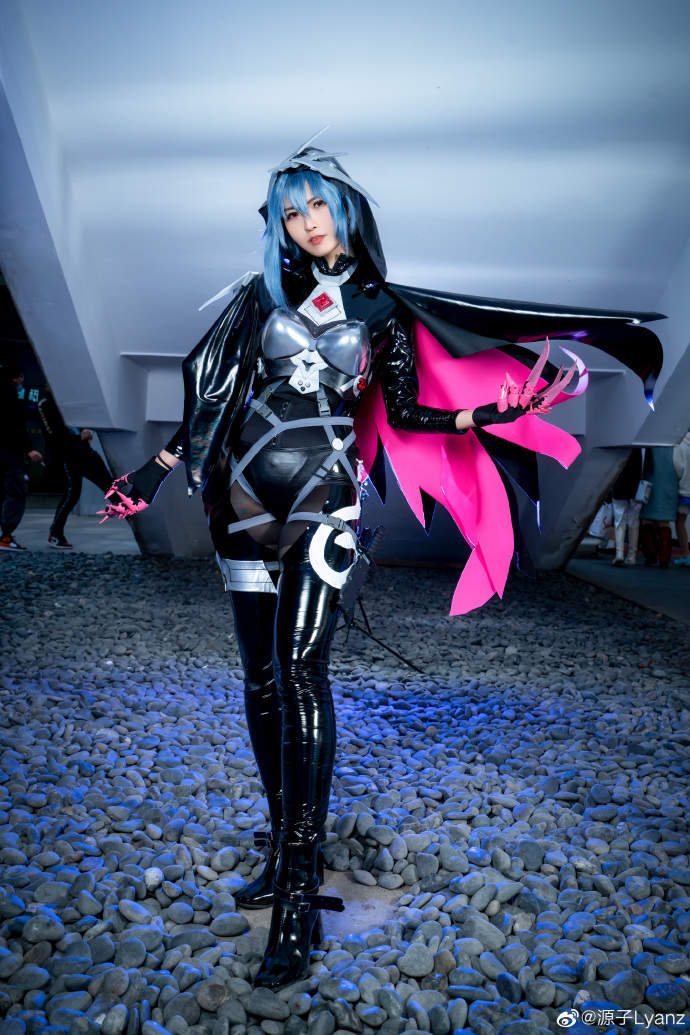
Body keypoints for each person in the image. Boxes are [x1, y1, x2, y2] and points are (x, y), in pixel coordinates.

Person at [99, 140, 663, 987]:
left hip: (324, 498)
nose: (306, 222)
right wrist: (151, 472)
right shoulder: (262, 295)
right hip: (241, 501)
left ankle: (298, 894)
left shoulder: (383, 308)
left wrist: (488, 411)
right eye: (290, 212)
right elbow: (215, 394)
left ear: (346, 208)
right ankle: (278, 847)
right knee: (259, 678)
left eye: (316, 204)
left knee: (301, 670)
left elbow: (407, 411)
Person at [37, 390, 113, 548]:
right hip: (68, 457)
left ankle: (141, 522)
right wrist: (78, 437)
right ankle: (55, 534)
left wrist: (86, 429)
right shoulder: (45, 405)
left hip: (85, 453)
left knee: (111, 488)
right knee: (72, 495)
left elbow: (84, 419)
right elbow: (53, 436)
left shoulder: (71, 401)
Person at [0, 364, 43, 551]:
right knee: (17, 492)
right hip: (10, 453)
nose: (22, 381)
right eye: (21, 377)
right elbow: (18, 427)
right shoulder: (10, 397)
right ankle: (6, 537)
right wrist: (29, 449)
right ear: (14, 378)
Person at [640, 447, 677, 568]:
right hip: (670, 483)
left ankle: (650, 555)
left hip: (650, 482)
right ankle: (664, 558)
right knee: (664, 522)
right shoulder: (675, 443)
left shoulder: (650, 442)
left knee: (647, 519)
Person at [611, 448, 643, 566]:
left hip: (619, 486)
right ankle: (631, 556)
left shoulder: (619, 446)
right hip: (636, 489)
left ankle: (619, 553)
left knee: (619, 520)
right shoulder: (639, 447)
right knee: (634, 521)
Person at [673, 428, 690, 566]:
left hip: (684, 491)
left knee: (680, 523)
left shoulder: (680, 446)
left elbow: (677, 468)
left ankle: (686, 554)